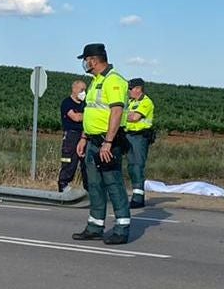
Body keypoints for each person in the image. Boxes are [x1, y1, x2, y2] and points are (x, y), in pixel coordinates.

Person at [72, 43, 132, 245]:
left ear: (94, 60)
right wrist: (84, 137)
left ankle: (122, 228)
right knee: (95, 185)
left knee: (113, 184)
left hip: (108, 143)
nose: (85, 63)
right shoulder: (96, 81)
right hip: (92, 142)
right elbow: (91, 112)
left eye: (86, 59)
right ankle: (95, 227)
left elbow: (116, 112)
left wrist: (108, 142)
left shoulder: (113, 80)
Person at [124, 78, 155, 208]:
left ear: (138, 89)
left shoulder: (146, 102)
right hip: (127, 135)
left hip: (139, 137)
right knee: (131, 166)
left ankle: (138, 198)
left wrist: (123, 114)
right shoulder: (130, 101)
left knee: (137, 166)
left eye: (130, 89)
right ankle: (134, 195)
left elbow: (135, 118)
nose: (128, 91)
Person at [56, 80, 89, 192]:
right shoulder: (67, 103)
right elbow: (76, 117)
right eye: (81, 90)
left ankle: (88, 188)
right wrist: (89, 115)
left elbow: (82, 117)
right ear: (74, 89)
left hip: (84, 135)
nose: (83, 93)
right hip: (71, 135)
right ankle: (63, 184)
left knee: (86, 163)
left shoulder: (85, 104)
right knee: (69, 161)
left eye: (85, 90)